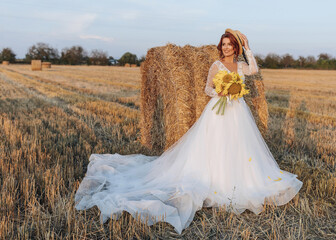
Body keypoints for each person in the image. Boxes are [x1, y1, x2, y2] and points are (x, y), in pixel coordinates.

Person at [74, 29, 303, 235]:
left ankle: (238, 182)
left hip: (238, 112)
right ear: (220, 47)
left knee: (239, 146)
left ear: (236, 47)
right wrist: (220, 93)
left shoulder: (241, 66)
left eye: (230, 44)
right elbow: (206, 88)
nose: (226, 48)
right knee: (216, 146)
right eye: (223, 44)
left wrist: (249, 49)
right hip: (218, 111)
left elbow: (253, 70)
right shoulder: (216, 65)